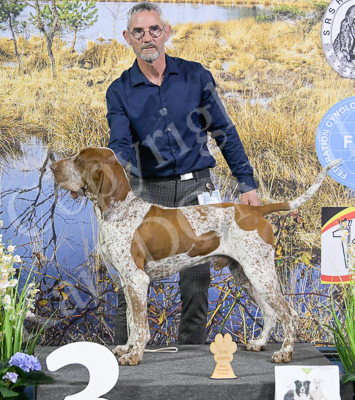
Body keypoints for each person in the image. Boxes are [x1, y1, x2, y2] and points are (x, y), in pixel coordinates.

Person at [106, 1, 261, 345]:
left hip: (198, 189)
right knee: (131, 281)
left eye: (154, 29)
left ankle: (191, 355)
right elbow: (120, 145)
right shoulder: (119, 91)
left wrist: (246, 183)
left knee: (196, 280)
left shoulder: (195, 76)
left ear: (167, 32)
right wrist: (107, 176)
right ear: (128, 38)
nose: (147, 38)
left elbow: (223, 131)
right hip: (149, 193)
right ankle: (124, 355)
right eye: (139, 32)